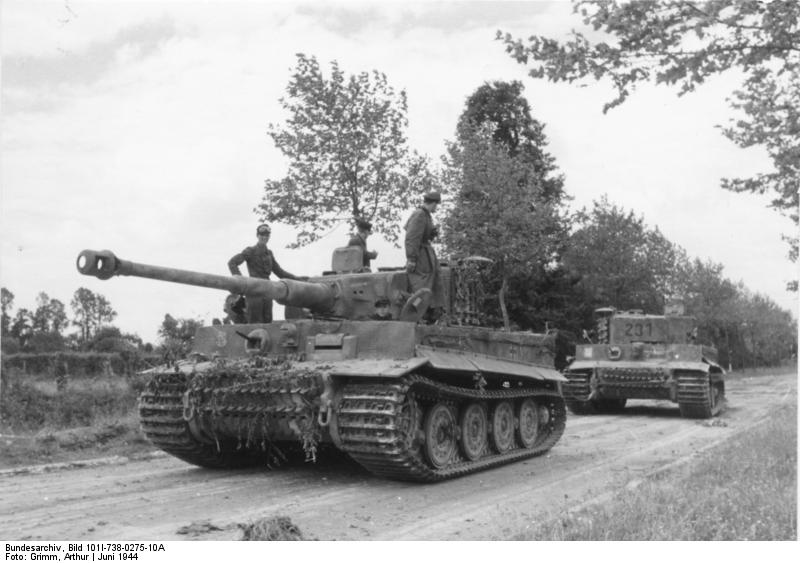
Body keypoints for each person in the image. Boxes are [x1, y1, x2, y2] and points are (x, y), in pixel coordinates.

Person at [228, 224, 305, 323]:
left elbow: (279, 272)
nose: (264, 237)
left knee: (268, 322)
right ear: (257, 235)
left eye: (267, 235)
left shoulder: (269, 253)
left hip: (268, 291)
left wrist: (297, 278)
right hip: (254, 291)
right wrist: (241, 282)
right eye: (262, 235)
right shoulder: (250, 251)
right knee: (255, 324)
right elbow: (232, 263)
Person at [404, 191, 442, 295]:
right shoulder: (420, 214)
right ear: (434, 203)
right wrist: (411, 259)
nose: (436, 208)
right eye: (436, 205)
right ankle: (420, 309)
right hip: (420, 257)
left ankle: (429, 308)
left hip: (425, 256)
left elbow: (422, 234)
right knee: (421, 284)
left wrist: (431, 233)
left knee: (430, 283)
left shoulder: (426, 215)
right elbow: (412, 238)